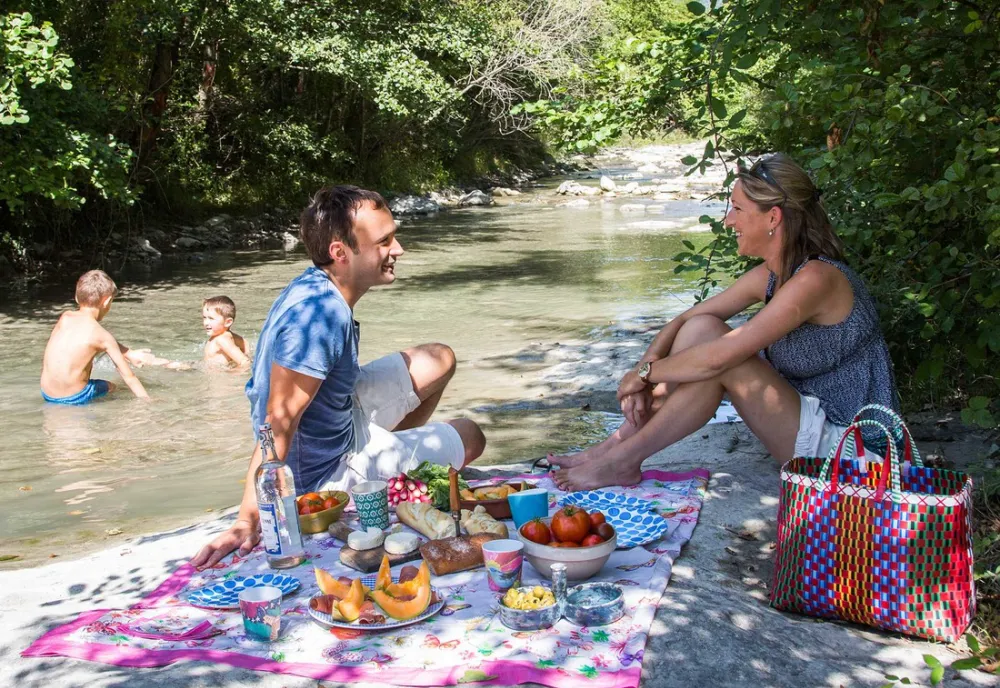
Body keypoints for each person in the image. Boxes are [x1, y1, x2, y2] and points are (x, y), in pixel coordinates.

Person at [550, 153, 898, 491]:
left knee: (725, 363)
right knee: (702, 328)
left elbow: (720, 358)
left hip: (856, 456)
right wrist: (642, 370)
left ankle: (623, 461)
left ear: (773, 217)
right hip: (809, 424)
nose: (729, 220)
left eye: (738, 208)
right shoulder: (776, 275)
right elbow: (689, 318)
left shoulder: (816, 280)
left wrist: (643, 376)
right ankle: (610, 450)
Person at [191, 185, 486, 569]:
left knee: (439, 359)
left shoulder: (318, 283)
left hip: (342, 414)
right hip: (324, 471)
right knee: (470, 435)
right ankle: (381, 464)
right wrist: (248, 519)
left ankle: (388, 449)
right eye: (385, 241)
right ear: (340, 252)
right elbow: (278, 420)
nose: (398, 250)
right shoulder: (319, 316)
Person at [40, 270, 151, 404]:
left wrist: (127, 352)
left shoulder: (65, 317)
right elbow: (129, 377)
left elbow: (87, 339)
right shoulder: (103, 336)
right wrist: (148, 401)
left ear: (76, 297)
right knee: (112, 387)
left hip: (47, 393)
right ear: (107, 301)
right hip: (75, 397)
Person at [202, 295, 251, 369]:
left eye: (211, 319)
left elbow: (245, 362)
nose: (206, 323)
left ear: (227, 322)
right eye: (204, 318)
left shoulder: (222, 339)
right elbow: (245, 343)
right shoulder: (225, 336)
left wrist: (232, 375)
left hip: (220, 378)